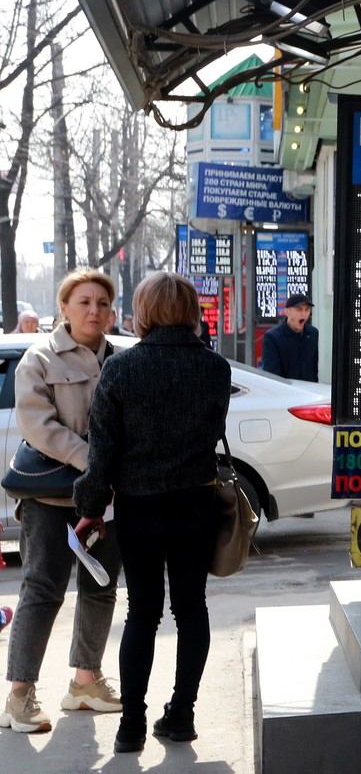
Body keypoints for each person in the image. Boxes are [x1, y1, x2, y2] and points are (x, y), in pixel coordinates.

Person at [74, 271, 231, 754]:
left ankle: (131, 726)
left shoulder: (121, 370)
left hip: (140, 507)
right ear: (188, 311)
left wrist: (90, 508)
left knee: (142, 613)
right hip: (195, 503)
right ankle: (181, 715)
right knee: (191, 609)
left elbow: (103, 453)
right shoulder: (215, 368)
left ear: (144, 312)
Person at [2, 269, 123, 734]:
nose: (95, 311)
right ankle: (18, 696)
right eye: (85, 302)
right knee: (42, 590)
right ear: (65, 309)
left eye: (103, 304)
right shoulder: (38, 359)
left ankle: (84, 684)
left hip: (108, 501)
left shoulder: (119, 359)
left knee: (101, 587)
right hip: (53, 501)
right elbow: (39, 427)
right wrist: (94, 462)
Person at [260, 293, 318, 381]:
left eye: (307, 310)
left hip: (309, 390)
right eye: (299, 309)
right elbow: (271, 373)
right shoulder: (273, 337)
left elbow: (313, 368)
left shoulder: (312, 333)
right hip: (285, 391)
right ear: (287, 312)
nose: (303, 314)